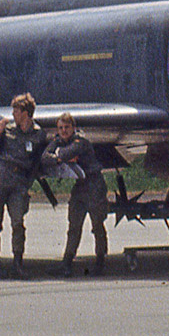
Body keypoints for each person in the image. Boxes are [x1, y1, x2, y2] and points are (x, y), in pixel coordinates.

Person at [0, 93, 47, 279]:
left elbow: (38, 161)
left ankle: (17, 264)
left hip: (18, 182)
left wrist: (28, 181)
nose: (13, 113)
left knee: (18, 223)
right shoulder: (7, 130)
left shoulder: (38, 134)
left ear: (26, 113)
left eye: (16, 110)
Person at [43, 112, 109, 277]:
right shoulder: (58, 141)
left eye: (66, 127)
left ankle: (101, 262)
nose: (64, 131)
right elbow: (44, 158)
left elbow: (65, 153)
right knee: (74, 226)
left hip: (95, 185)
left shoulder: (81, 142)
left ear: (73, 128)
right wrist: (57, 157)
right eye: (60, 128)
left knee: (97, 225)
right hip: (80, 186)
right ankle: (66, 264)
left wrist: (57, 156)